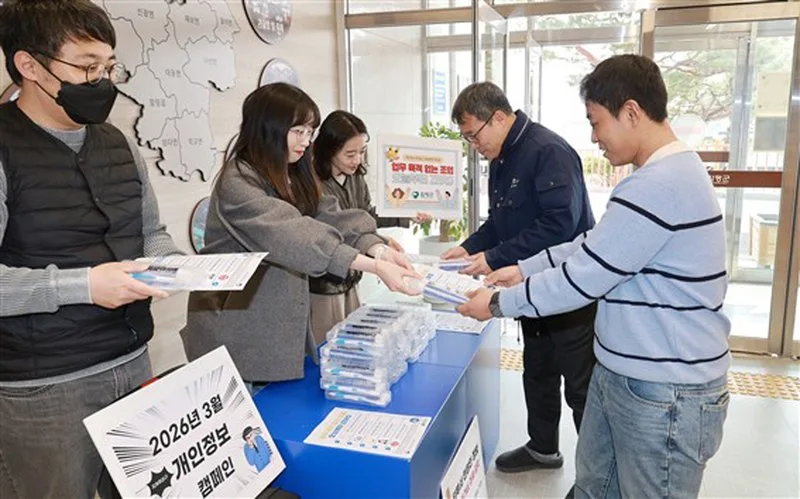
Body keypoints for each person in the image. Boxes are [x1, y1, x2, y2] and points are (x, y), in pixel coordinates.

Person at [458, 55, 730, 498]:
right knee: (593, 487)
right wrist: (524, 268)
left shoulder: (658, 185)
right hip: (629, 373)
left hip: (664, 391)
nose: (594, 137)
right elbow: (595, 244)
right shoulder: (658, 177)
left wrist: (496, 303)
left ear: (631, 112)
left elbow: (585, 276)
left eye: (596, 121)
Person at [0, 1, 181, 497]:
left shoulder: (117, 142)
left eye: (108, 67)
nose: (101, 81)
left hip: (132, 360)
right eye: (86, 67)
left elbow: (151, 232)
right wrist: (84, 285)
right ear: (30, 65)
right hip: (46, 388)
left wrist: (171, 264)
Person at [181, 84, 419, 386]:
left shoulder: (291, 170)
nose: (307, 141)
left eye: (310, 132)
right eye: (299, 132)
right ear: (268, 127)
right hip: (237, 326)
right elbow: (294, 234)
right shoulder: (238, 182)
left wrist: (379, 249)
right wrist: (373, 266)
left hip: (275, 319)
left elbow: (331, 215)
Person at [442, 81, 597, 473]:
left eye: (474, 135)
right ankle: (543, 449)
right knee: (538, 371)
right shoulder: (502, 158)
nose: (474, 145)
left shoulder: (549, 151)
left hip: (568, 288)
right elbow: (501, 221)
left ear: (498, 117)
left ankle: (598, 477)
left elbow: (560, 225)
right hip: (527, 286)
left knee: (581, 389)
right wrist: (469, 247)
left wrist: (493, 257)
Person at [309, 110, 431, 343]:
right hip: (324, 284)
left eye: (362, 152)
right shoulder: (314, 183)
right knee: (327, 348)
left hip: (352, 277)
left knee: (354, 343)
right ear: (329, 150)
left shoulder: (355, 176)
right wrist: (379, 246)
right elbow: (340, 228)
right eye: (350, 154)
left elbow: (365, 216)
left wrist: (404, 217)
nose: (358, 161)